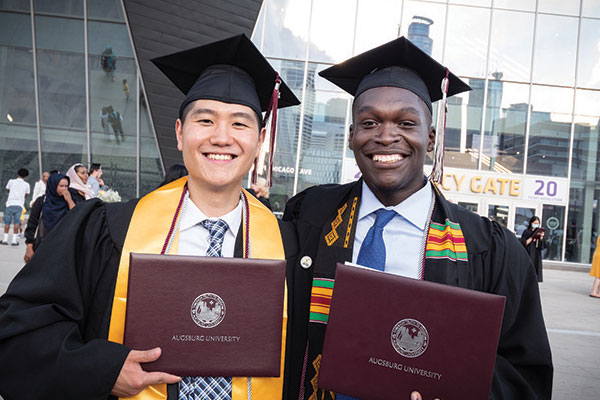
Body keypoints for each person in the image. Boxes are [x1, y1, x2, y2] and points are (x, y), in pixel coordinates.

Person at [0, 33, 300, 400]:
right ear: (179, 132)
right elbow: (18, 331)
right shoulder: (107, 230)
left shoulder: (290, 245)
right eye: (205, 120)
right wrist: (101, 369)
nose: (222, 137)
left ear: (259, 140)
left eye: (240, 124)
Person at [282, 37, 552, 400]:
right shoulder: (310, 217)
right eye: (369, 122)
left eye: (406, 123)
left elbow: (525, 374)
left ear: (430, 136)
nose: (386, 136)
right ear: (351, 136)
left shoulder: (490, 250)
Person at [24, 173, 76, 262]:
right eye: (61, 186)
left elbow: (76, 215)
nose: (64, 189)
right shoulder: (42, 202)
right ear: (53, 185)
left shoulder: (71, 201)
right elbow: (32, 224)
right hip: (42, 247)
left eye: (66, 186)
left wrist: (69, 200)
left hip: (63, 249)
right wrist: (29, 246)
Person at [2, 168, 30, 246]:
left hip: (10, 203)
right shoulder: (26, 184)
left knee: (7, 222)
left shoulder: (11, 181)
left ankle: (5, 239)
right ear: (26, 176)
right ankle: (14, 240)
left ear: (18, 173)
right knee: (16, 222)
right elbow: (26, 195)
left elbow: (8, 189)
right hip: (19, 204)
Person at [520, 216, 547, 282]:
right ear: (531, 223)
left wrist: (541, 237)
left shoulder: (539, 232)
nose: (536, 225)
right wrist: (533, 236)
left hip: (536, 254)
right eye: (534, 223)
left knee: (535, 271)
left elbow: (542, 246)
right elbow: (524, 243)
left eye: (537, 223)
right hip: (528, 253)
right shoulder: (526, 232)